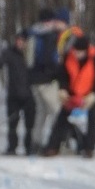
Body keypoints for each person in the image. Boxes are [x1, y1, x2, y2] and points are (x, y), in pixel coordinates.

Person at [41, 35, 95, 158]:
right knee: (61, 120)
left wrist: (94, 94)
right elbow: (63, 76)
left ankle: (89, 149)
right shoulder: (68, 57)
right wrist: (63, 90)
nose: (77, 54)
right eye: (75, 51)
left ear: (86, 51)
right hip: (72, 95)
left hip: (89, 95)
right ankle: (52, 147)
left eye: (80, 52)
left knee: (92, 121)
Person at [0, 29, 36, 155]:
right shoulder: (9, 53)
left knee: (30, 124)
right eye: (18, 40)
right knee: (12, 123)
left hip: (29, 95)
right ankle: (12, 147)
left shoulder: (31, 55)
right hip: (14, 94)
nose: (19, 43)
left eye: (22, 41)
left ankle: (29, 147)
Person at [25, 8, 67, 148]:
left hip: (33, 80)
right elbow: (50, 59)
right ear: (48, 21)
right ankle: (57, 143)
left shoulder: (33, 34)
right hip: (47, 80)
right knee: (56, 112)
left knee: (41, 112)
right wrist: (56, 73)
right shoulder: (48, 36)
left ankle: (35, 142)